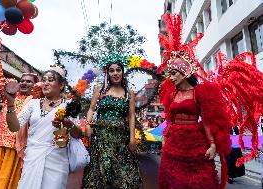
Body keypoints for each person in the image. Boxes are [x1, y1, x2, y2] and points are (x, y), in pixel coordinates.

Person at [157, 13, 231, 189]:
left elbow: (206, 120)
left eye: (174, 74)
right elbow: (170, 119)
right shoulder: (172, 95)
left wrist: (212, 144)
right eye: (170, 74)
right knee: (174, 181)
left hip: (195, 142)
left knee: (198, 182)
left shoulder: (199, 92)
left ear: (185, 74)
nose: (171, 78)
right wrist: (165, 138)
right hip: (174, 142)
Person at [5, 65, 82, 189]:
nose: (45, 83)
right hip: (32, 158)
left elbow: (78, 134)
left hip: (57, 160)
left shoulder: (69, 106)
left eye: (50, 80)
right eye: (44, 80)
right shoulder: (33, 104)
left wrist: (68, 124)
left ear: (61, 85)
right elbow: (14, 127)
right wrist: (10, 104)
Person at [82, 60, 143, 188]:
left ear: (122, 72)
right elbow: (92, 108)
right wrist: (87, 124)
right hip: (102, 138)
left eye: (118, 70)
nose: (115, 73)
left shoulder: (129, 92)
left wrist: (132, 139)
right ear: (107, 73)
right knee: (100, 174)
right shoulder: (101, 88)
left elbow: (131, 116)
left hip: (121, 139)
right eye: (112, 70)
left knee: (124, 177)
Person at [0, 73, 38, 189]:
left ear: (35, 85)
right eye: (22, 80)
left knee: (7, 183)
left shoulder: (35, 101)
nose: (24, 83)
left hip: (15, 148)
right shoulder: (9, 96)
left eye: (29, 81)